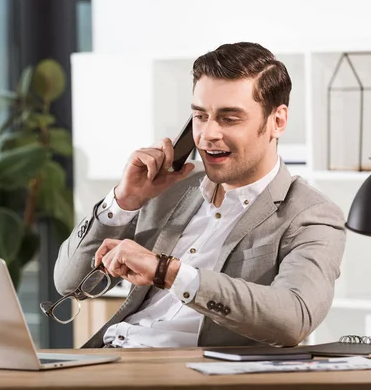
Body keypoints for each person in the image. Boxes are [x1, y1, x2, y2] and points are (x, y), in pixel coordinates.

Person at [53, 42, 346, 349]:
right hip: (111, 358)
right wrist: (124, 201)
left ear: (277, 121)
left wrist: (168, 272)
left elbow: (293, 318)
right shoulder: (170, 186)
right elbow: (69, 283)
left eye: (229, 118)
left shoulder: (311, 214)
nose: (207, 135)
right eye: (200, 116)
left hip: (187, 372)